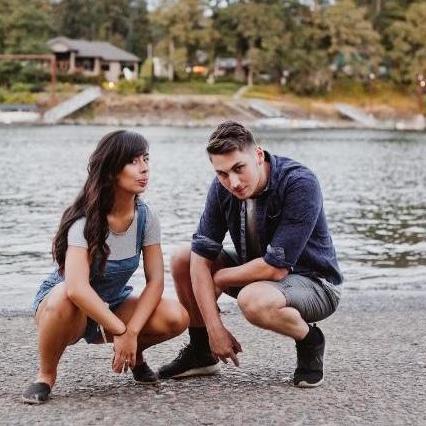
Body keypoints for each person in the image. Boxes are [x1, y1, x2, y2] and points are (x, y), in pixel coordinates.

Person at [158, 121, 343, 387]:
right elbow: (199, 258)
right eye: (222, 173)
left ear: (257, 155)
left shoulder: (299, 183)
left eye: (238, 168)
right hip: (259, 274)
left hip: (316, 284)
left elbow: (275, 268)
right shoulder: (221, 188)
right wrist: (214, 329)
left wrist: (220, 278)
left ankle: (310, 340)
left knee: (252, 300)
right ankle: (201, 351)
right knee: (182, 259)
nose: (232, 182)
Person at [22, 130, 189, 404]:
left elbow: (156, 282)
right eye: (133, 161)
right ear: (111, 170)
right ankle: (45, 376)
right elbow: (77, 288)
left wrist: (131, 333)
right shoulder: (84, 221)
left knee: (176, 315)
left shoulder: (146, 218)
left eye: (146, 159)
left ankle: (134, 354)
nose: (144, 168)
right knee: (65, 295)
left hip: (112, 302)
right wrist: (121, 331)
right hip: (68, 306)